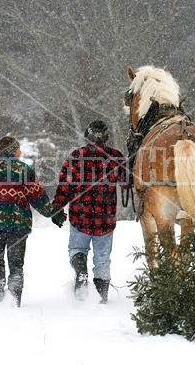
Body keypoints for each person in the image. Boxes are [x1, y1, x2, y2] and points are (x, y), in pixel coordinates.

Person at [0, 136, 66, 307]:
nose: (20, 152)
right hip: (17, 225)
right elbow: (38, 198)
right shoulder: (23, 170)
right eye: (18, 149)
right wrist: (53, 213)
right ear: (13, 151)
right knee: (16, 265)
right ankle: (14, 302)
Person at [53, 121, 127, 303]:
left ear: (87, 135)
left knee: (77, 249)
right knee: (102, 259)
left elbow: (65, 186)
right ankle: (101, 298)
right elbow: (127, 183)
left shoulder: (76, 157)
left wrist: (57, 208)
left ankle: (81, 272)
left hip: (80, 217)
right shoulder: (115, 157)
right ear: (106, 136)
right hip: (105, 219)